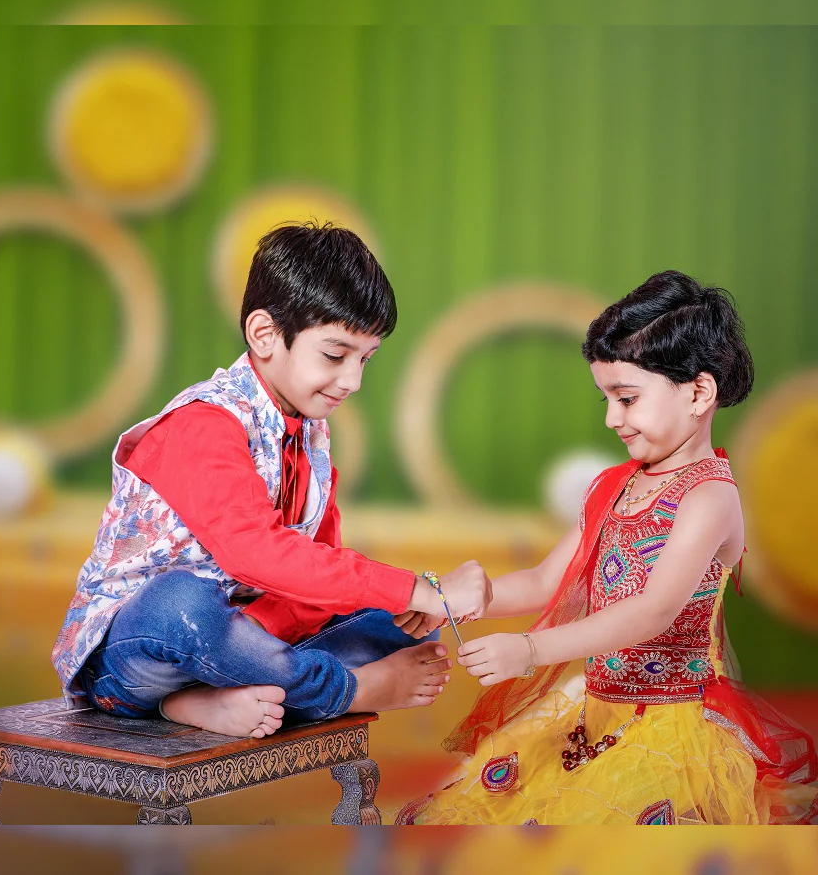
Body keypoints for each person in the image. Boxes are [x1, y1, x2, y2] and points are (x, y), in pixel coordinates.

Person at [396, 270, 816, 824]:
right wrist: (445, 598)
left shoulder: (710, 496)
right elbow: (546, 581)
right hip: (590, 710)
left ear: (698, 392)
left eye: (627, 398)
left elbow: (652, 610)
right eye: (607, 398)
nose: (611, 418)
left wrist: (529, 651)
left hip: (670, 727)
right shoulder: (615, 485)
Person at [51, 221, 490, 738]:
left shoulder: (310, 434)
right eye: (335, 355)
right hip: (142, 649)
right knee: (183, 605)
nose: (352, 381)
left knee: (394, 626)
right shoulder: (204, 423)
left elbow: (316, 572)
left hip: (239, 637)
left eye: (365, 359)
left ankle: (210, 696)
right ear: (264, 335)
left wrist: (417, 601)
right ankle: (343, 690)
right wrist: (418, 588)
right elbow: (255, 554)